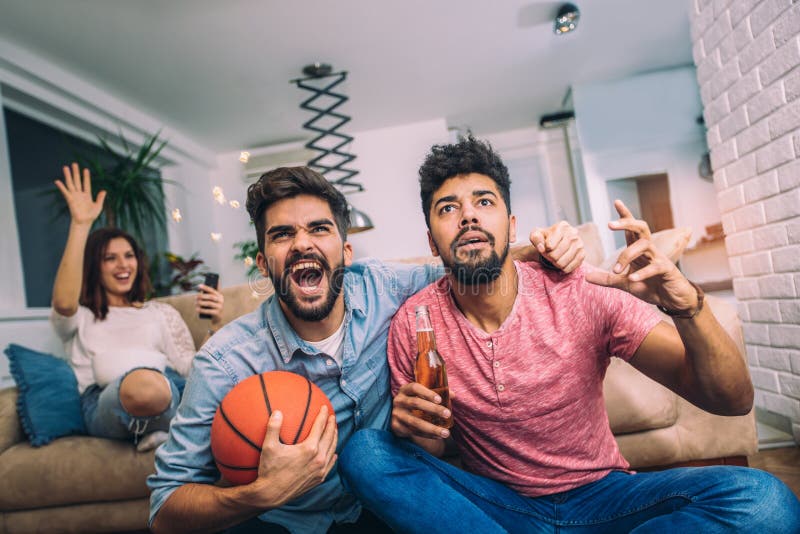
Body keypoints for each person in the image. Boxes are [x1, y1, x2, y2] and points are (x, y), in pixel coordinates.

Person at [338, 136, 800, 533]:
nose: (468, 217)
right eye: (448, 208)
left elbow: (733, 401)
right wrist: (416, 430)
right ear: (432, 240)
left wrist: (688, 306)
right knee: (366, 453)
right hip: (497, 509)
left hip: (604, 498)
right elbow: (434, 449)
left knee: (765, 503)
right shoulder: (415, 323)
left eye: (484, 202)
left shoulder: (578, 290)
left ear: (512, 225)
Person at [147, 165, 586, 534]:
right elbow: (164, 507)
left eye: (319, 229)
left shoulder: (385, 287)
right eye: (282, 235)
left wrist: (548, 248)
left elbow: (469, 268)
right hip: (284, 523)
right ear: (263, 263)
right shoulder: (224, 362)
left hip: (380, 510)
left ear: (346, 250)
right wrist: (259, 494)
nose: (302, 243)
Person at [51, 163, 225, 452]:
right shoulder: (80, 317)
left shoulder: (160, 313)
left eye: (129, 256)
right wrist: (81, 225)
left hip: (171, 387)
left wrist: (215, 322)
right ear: (94, 266)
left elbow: (192, 369)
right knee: (144, 386)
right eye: (110, 258)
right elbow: (63, 303)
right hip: (107, 398)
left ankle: (166, 429)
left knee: (216, 391)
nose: (123, 265)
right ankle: (177, 428)